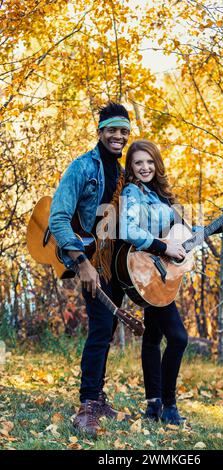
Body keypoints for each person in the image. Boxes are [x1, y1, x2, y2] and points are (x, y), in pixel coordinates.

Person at [120, 140, 223, 425]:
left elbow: (186, 235)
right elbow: (127, 228)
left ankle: (154, 405)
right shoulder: (133, 192)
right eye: (138, 162)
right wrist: (163, 249)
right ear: (131, 167)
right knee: (179, 338)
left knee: (152, 338)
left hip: (163, 276)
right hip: (148, 270)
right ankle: (169, 405)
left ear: (157, 164)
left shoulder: (162, 196)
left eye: (149, 162)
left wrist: (221, 222)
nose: (145, 167)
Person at [49, 102, 131, 436]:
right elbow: (57, 216)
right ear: (100, 132)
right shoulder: (83, 168)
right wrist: (82, 264)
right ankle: (87, 406)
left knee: (108, 329)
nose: (118, 136)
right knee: (100, 329)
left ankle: (98, 396)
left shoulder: (124, 173)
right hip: (91, 263)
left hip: (116, 267)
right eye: (112, 129)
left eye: (124, 131)